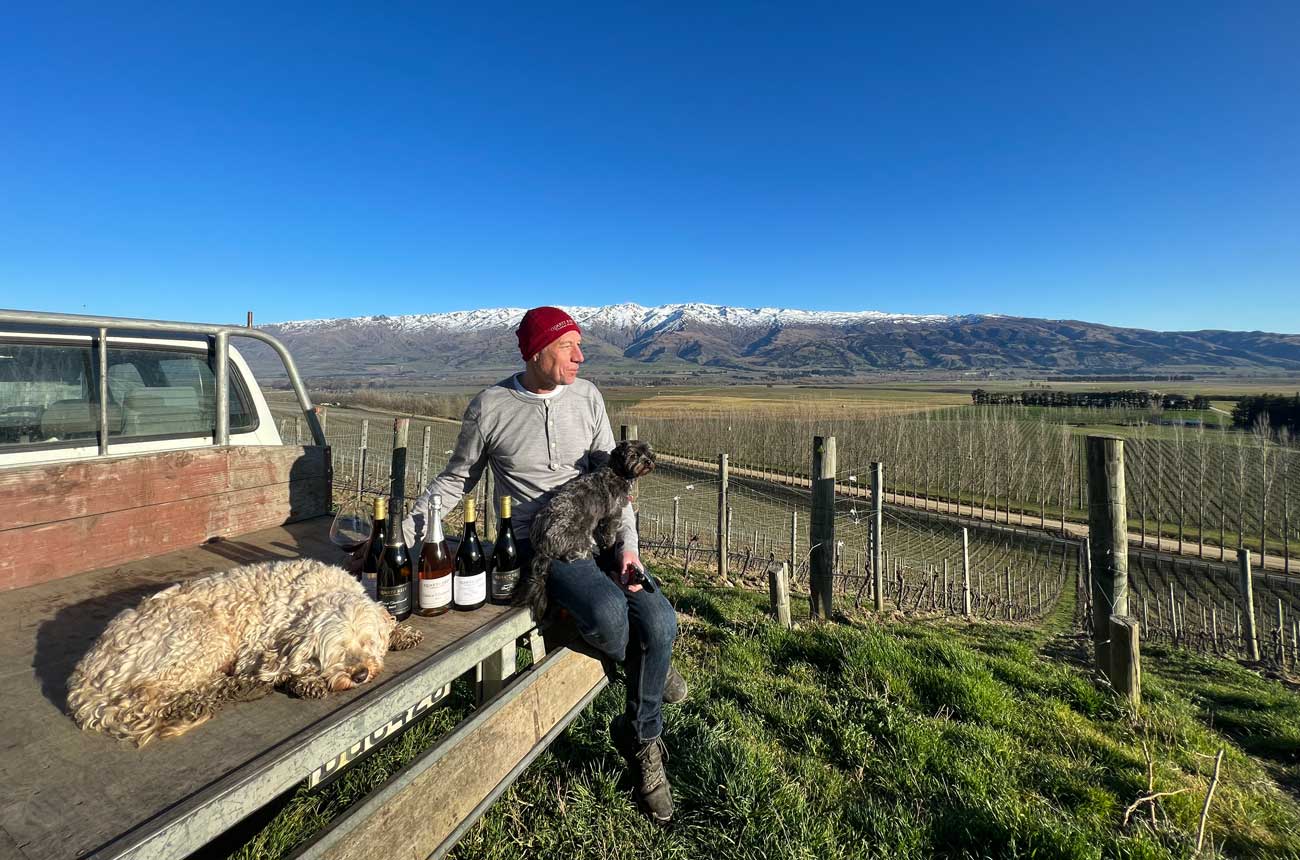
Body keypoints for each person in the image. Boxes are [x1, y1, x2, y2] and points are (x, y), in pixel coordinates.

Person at [400, 306, 684, 824]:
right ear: (535, 352)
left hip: (601, 535)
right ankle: (638, 665)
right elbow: (456, 480)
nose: (581, 356)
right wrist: (401, 537)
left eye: (580, 345)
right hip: (545, 544)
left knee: (662, 622)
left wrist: (628, 549)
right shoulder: (490, 407)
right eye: (567, 347)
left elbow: (617, 483)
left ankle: (640, 739)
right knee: (611, 618)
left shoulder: (589, 396)